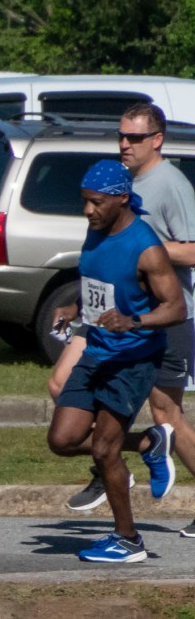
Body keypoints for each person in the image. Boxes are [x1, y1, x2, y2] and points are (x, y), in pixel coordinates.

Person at [57, 103, 195, 524]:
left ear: (157, 140)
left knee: (167, 414)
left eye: (134, 137)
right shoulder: (118, 183)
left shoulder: (169, 183)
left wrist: (141, 247)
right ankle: (109, 462)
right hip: (108, 314)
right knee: (61, 383)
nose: (124, 144)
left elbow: (192, 250)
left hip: (155, 317)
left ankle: (112, 462)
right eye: (121, 136)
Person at [43, 161, 186, 563]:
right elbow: (96, 285)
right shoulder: (96, 231)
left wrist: (133, 320)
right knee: (63, 439)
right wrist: (74, 308)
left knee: (104, 448)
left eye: (97, 202)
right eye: (85, 202)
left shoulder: (146, 247)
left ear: (122, 198)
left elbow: (175, 308)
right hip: (97, 351)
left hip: (134, 358)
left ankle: (128, 540)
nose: (89, 210)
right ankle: (149, 441)